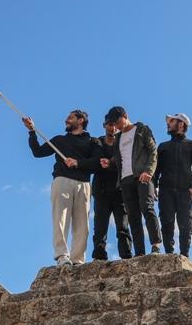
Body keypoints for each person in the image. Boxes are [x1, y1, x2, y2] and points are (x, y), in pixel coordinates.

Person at [24, 110, 99, 266]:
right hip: (62, 181)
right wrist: (32, 132)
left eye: (70, 117)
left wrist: (77, 163)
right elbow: (38, 152)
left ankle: (78, 259)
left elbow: (97, 163)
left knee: (82, 224)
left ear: (81, 120)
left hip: (84, 184)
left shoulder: (93, 142)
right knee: (60, 219)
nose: (66, 120)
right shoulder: (59, 140)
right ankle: (62, 256)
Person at [104, 106, 161, 256]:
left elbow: (153, 152)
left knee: (147, 208)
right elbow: (120, 158)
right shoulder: (118, 138)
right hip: (125, 180)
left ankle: (155, 245)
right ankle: (139, 253)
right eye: (114, 124)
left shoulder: (142, 130)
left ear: (125, 115)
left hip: (142, 176)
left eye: (118, 122)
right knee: (133, 217)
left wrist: (149, 171)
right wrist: (109, 162)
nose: (117, 126)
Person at [153, 112, 192, 257]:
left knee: (186, 225)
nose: (168, 124)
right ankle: (169, 255)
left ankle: (184, 256)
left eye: (172, 121)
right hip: (165, 191)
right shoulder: (163, 147)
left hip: (185, 191)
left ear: (181, 124)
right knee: (166, 223)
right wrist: (154, 186)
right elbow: (156, 170)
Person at [90, 117, 132, 261]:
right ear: (104, 125)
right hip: (101, 191)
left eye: (115, 125)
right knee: (100, 227)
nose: (112, 128)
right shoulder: (97, 143)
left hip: (120, 191)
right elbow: (94, 162)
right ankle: (99, 256)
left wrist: (111, 163)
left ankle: (126, 256)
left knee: (123, 226)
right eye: (109, 125)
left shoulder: (123, 143)